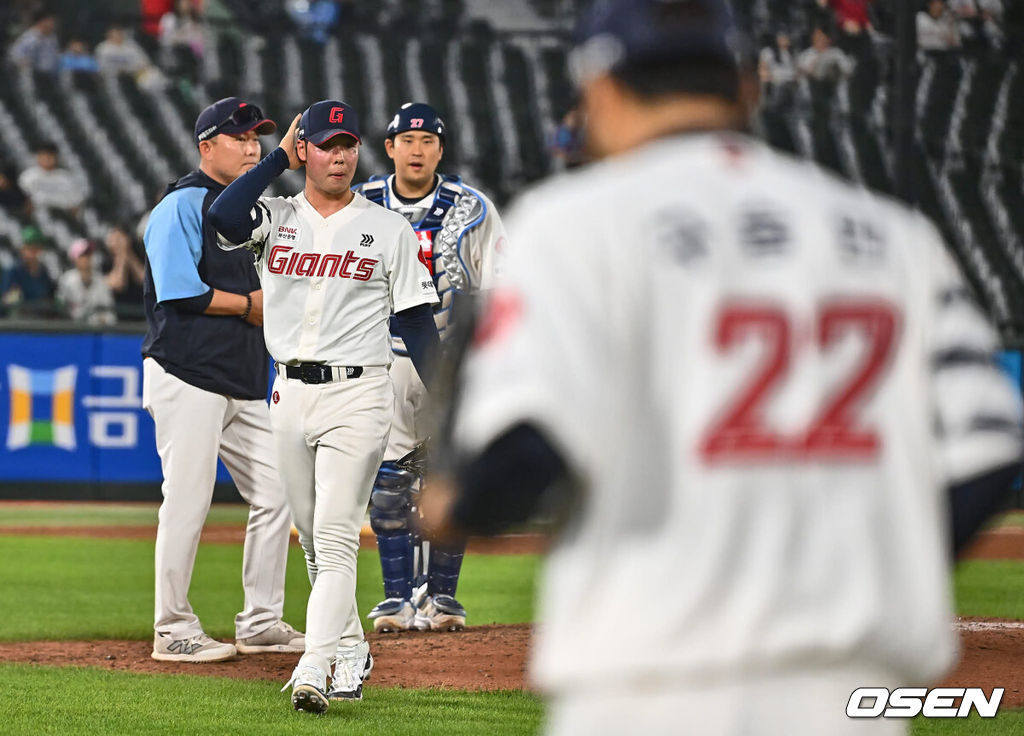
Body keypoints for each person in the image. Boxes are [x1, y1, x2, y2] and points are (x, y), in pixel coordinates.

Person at [419, 0, 1024, 734]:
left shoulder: (574, 223)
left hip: (646, 690)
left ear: (600, 90)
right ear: (750, 84)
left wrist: (455, 504)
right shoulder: (894, 238)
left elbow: (524, 458)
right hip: (846, 697)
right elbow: (990, 448)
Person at [208, 100, 440, 713]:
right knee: (311, 540)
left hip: (360, 393)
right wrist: (277, 159)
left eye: (348, 144)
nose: (340, 155)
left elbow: (416, 322)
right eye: (326, 144)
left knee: (335, 536)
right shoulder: (274, 215)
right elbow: (222, 214)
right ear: (304, 149)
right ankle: (354, 648)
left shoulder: (386, 228)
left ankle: (315, 666)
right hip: (288, 392)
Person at [142, 97, 304, 664]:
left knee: (279, 489)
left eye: (257, 135)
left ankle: (261, 622)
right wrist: (248, 305)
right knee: (186, 501)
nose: (252, 144)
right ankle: (173, 629)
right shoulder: (181, 203)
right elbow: (179, 290)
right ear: (206, 145)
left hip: (240, 380)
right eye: (238, 136)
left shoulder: (247, 211)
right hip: (186, 373)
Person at [352, 102, 508, 634]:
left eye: (428, 141)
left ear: (441, 150)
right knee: (388, 482)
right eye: (407, 140)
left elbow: (500, 286)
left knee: (448, 475)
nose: (417, 150)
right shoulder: (361, 201)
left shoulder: (473, 208)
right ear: (389, 146)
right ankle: (397, 598)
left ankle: (443, 598)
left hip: (449, 357)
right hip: (381, 357)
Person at [56, 238, 116, 325]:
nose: (87, 258)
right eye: (83, 255)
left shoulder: (101, 280)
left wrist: (105, 319)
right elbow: (60, 308)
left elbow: (109, 309)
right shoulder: (66, 280)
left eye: (89, 254)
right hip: (73, 329)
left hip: (97, 330)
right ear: (74, 258)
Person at [0, 225, 56, 317]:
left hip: (42, 320)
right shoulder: (13, 271)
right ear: (22, 249)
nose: (33, 253)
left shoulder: (43, 272)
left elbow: (50, 297)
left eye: (36, 249)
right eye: (29, 248)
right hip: (20, 322)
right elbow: (6, 301)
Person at [18, 142, 88, 214]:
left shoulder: (66, 177)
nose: (47, 159)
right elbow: (24, 200)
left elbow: (76, 202)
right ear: (38, 157)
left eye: (50, 156)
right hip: (38, 214)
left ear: (56, 157)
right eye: (43, 156)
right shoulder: (27, 177)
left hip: (64, 214)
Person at [104, 224, 148, 320]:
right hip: (118, 313)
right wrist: (122, 255)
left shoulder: (139, 256)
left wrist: (128, 254)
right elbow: (118, 284)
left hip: (141, 311)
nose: (118, 243)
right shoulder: (106, 262)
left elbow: (144, 279)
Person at [8, 11, 60, 75]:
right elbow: (15, 54)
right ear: (41, 22)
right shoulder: (31, 37)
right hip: (33, 75)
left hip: (49, 75)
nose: (53, 24)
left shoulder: (52, 37)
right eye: (50, 21)